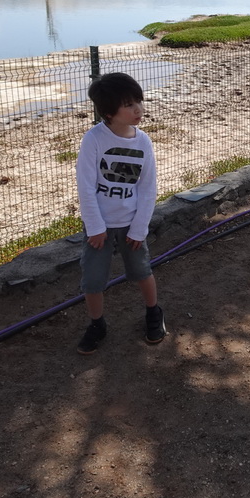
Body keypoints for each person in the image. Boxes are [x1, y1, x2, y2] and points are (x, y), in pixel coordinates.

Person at [75, 72, 165, 354]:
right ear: (109, 111)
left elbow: (148, 188)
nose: (138, 109)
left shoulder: (143, 142)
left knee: (141, 271)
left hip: (131, 225)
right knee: (93, 279)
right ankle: (97, 323)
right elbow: (86, 186)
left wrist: (139, 228)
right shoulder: (94, 140)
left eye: (138, 101)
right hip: (99, 227)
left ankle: (153, 313)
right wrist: (95, 227)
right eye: (128, 104)